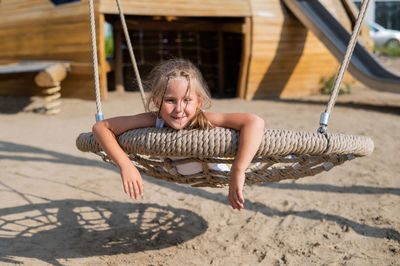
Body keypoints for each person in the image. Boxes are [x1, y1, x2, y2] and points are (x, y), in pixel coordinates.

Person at [92, 59, 264, 211]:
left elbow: (254, 122)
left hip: (220, 171)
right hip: (177, 171)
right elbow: (101, 128)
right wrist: (126, 166)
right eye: (170, 100)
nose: (179, 109)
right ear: (157, 101)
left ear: (199, 102)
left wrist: (238, 170)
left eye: (187, 100)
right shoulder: (155, 119)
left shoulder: (202, 118)